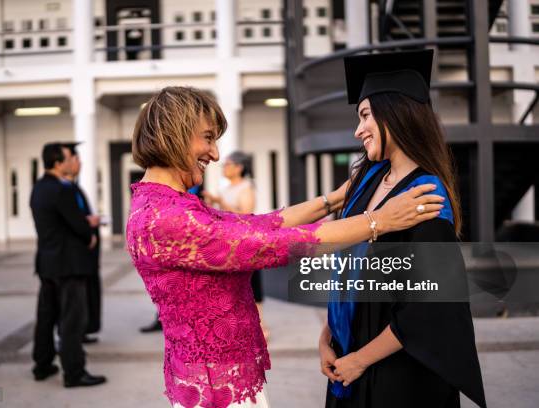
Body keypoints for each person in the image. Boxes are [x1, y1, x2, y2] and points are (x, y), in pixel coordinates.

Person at [126, 86, 444, 407]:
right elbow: (275, 243)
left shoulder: (166, 203)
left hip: (219, 378)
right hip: (215, 389)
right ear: (174, 135)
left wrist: (333, 199)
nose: (216, 153)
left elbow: (261, 224)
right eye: (208, 138)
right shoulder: (166, 217)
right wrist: (380, 221)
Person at [319, 50, 485, 408]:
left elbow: (430, 305)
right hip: (350, 359)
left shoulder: (425, 195)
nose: (357, 129)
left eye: (365, 115)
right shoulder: (368, 179)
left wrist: (360, 359)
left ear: (396, 112)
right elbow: (348, 269)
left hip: (396, 372)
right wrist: (328, 336)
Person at [30, 142, 106, 388]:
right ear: (58, 162)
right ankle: (74, 373)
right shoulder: (62, 190)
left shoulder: (39, 188)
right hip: (69, 265)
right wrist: (90, 234)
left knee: (46, 316)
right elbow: (78, 225)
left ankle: (42, 365)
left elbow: (57, 222)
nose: (72, 162)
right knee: (72, 321)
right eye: (68, 158)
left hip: (47, 262)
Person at [203, 151, 269, 339]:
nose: (224, 167)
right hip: (227, 245)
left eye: (228, 164)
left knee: (253, 286)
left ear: (239, 167)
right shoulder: (224, 188)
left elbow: (246, 215)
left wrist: (220, 202)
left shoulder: (246, 187)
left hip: (245, 243)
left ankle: (261, 326)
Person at [62, 142, 103, 344]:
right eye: (75, 159)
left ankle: (84, 328)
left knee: (86, 296)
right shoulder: (61, 189)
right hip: (73, 255)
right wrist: (87, 225)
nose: (79, 163)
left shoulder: (74, 188)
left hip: (85, 254)